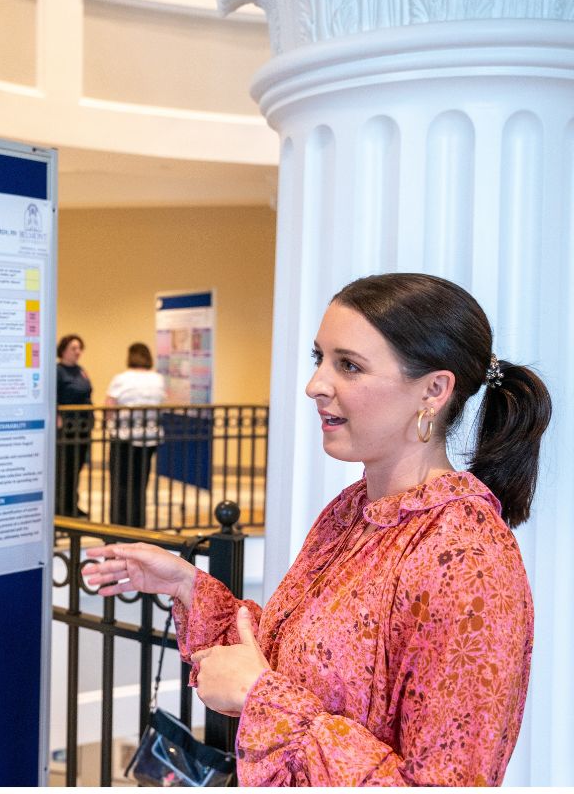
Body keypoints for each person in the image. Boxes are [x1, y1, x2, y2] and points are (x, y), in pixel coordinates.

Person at [83, 272, 552, 786]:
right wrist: (184, 585)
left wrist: (263, 700)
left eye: (348, 365)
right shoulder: (352, 508)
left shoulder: (468, 561)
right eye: (319, 359)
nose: (315, 386)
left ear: (434, 390)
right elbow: (295, 657)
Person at [105, 342, 167, 527]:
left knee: (121, 483)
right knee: (141, 482)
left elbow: (109, 406)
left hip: (124, 436)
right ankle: (137, 523)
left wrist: (111, 424)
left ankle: (119, 523)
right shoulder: (158, 379)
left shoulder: (121, 379)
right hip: (149, 437)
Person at [55, 334, 93, 517]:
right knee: (65, 468)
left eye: (79, 348)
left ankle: (72, 504)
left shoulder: (81, 370)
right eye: (73, 348)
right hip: (66, 427)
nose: (78, 352)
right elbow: (52, 396)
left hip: (83, 426)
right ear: (63, 350)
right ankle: (62, 506)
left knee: (77, 467)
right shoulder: (58, 371)